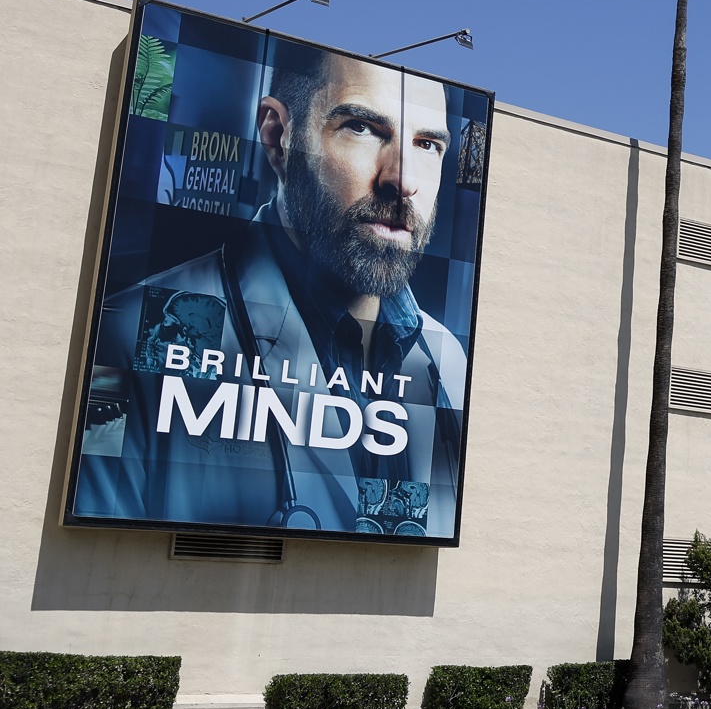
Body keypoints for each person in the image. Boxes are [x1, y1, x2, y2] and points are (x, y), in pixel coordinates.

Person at [76, 43, 469, 537]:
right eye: (362, 128)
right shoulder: (131, 333)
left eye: (427, 145)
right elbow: (94, 561)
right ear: (278, 136)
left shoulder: (446, 360)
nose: (402, 180)